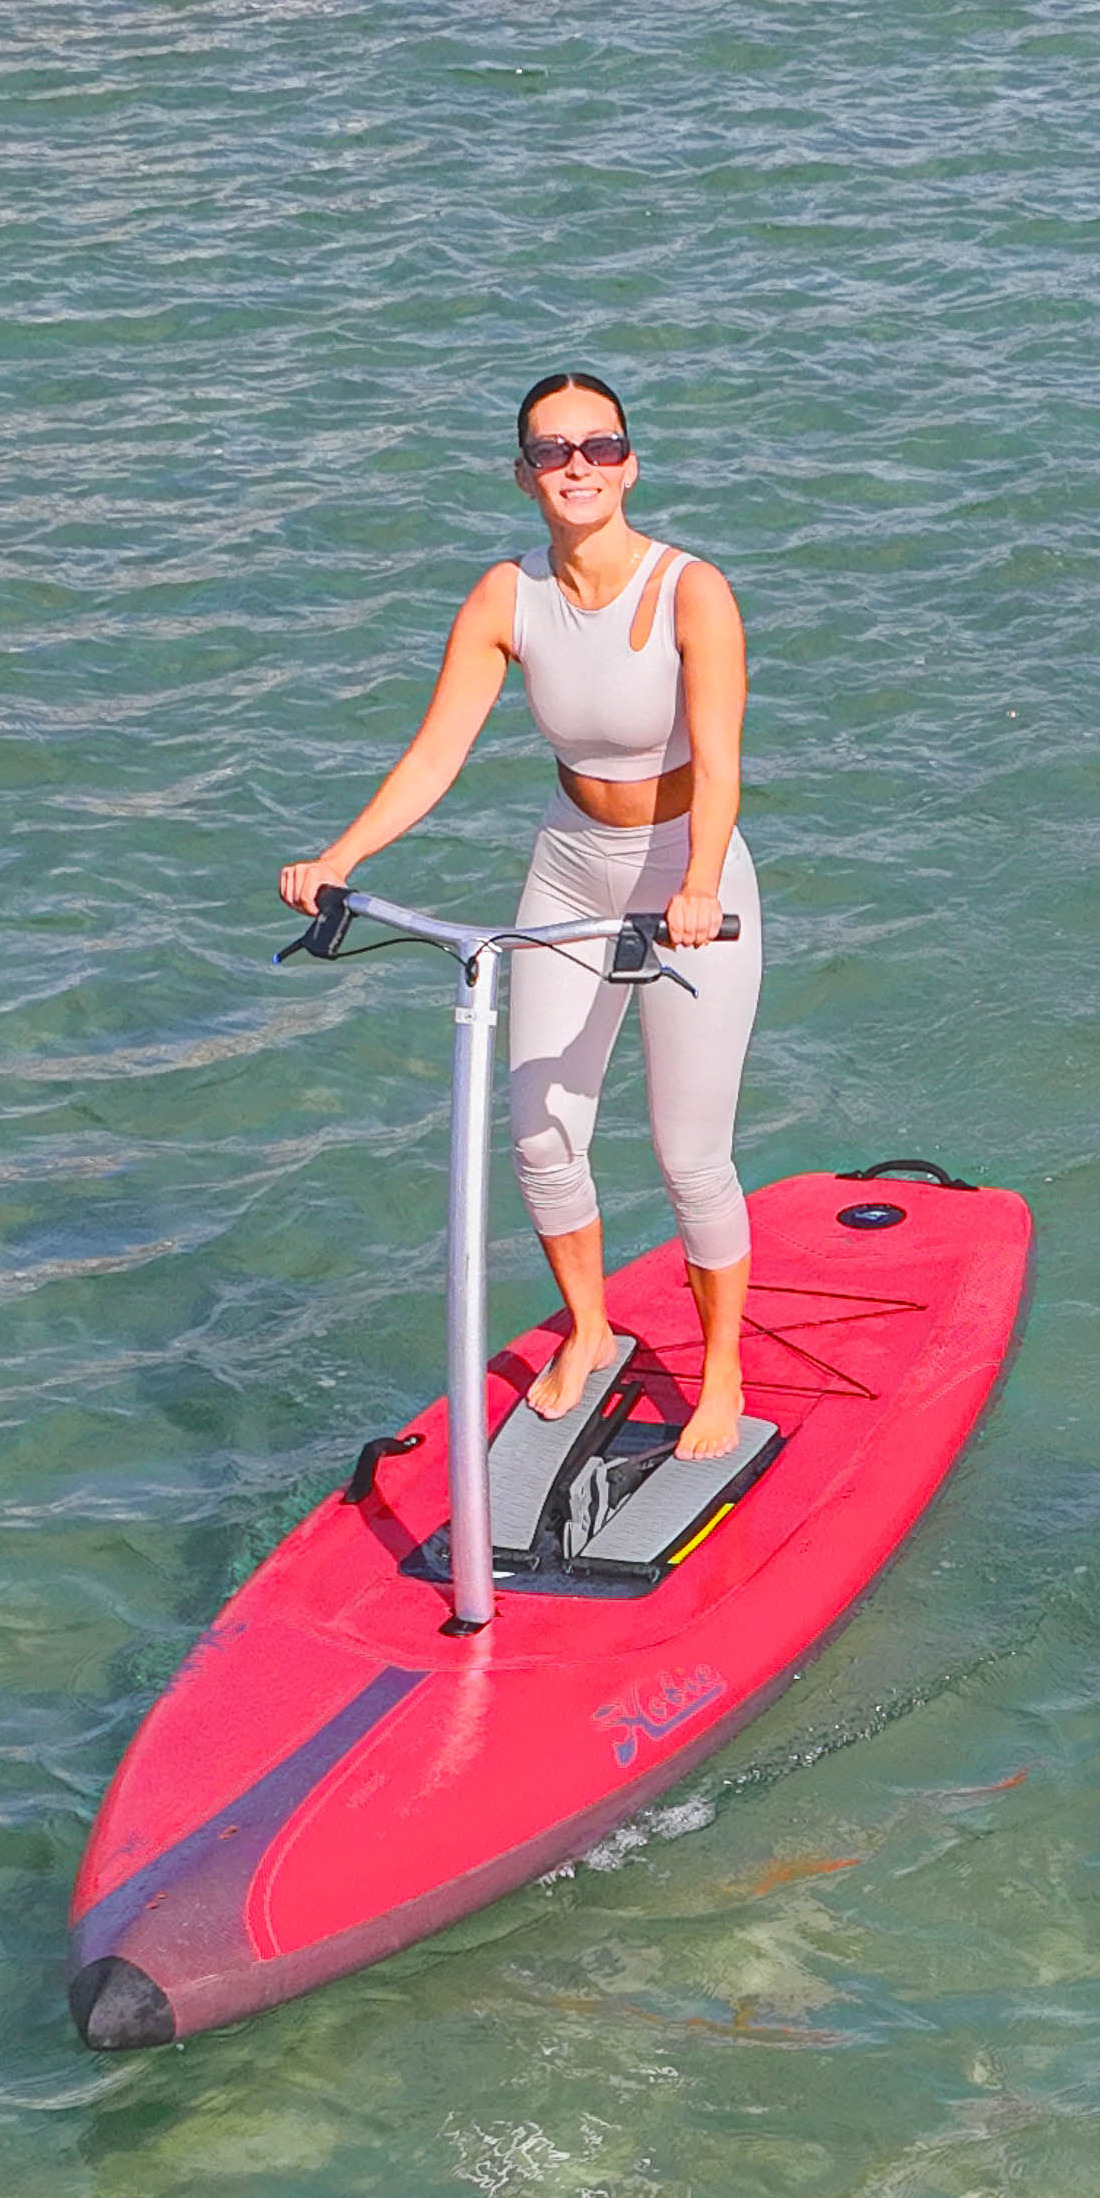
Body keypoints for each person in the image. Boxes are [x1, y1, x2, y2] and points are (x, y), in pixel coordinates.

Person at [280, 371, 769, 1458]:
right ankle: (590, 1329)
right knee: (541, 1131)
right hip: (570, 866)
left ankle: (722, 1371)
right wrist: (343, 853)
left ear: (630, 462)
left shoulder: (692, 592)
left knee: (689, 1154)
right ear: (523, 476)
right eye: (554, 452)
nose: (578, 466)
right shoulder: (506, 596)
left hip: (689, 871)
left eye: (599, 445)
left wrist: (695, 884)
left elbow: (722, 760)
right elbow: (437, 750)